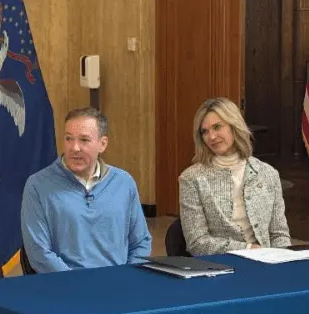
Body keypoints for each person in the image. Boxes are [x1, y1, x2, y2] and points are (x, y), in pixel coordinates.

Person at [21, 107, 152, 272]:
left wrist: (127, 277)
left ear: (102, 144)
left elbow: (141, 242)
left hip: (118, 285)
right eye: (69, 139)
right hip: (66, 287)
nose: (74, 147)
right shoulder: (38, 185)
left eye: (84, 140)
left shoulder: (124, 182)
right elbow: (38, 251)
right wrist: (78, 284)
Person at [178, 97, 292, 256]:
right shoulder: (192, 178)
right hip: (219, 267)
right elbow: (197, 243)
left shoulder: (268, 174)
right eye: (205, 131)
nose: (211, 137)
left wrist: (283, 262)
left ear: (234, 126)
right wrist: (248, 250)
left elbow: (279, 235)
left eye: (217, 127)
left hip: (266, 265)